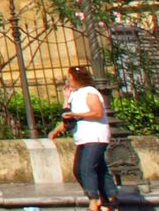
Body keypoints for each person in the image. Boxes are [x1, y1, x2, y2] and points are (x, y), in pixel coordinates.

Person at [49, 64, 113, 211]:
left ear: (76, 77)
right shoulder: (75, 94)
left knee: (87, 168)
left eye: (69, 76)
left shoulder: (90, 92)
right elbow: (68, 118)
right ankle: (110, 198)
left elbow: (97, 113)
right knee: (84, 170)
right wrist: (57, 130)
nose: (68, 79)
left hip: (95, 136)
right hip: (84, 138)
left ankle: (94, 202)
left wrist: (76, 114)